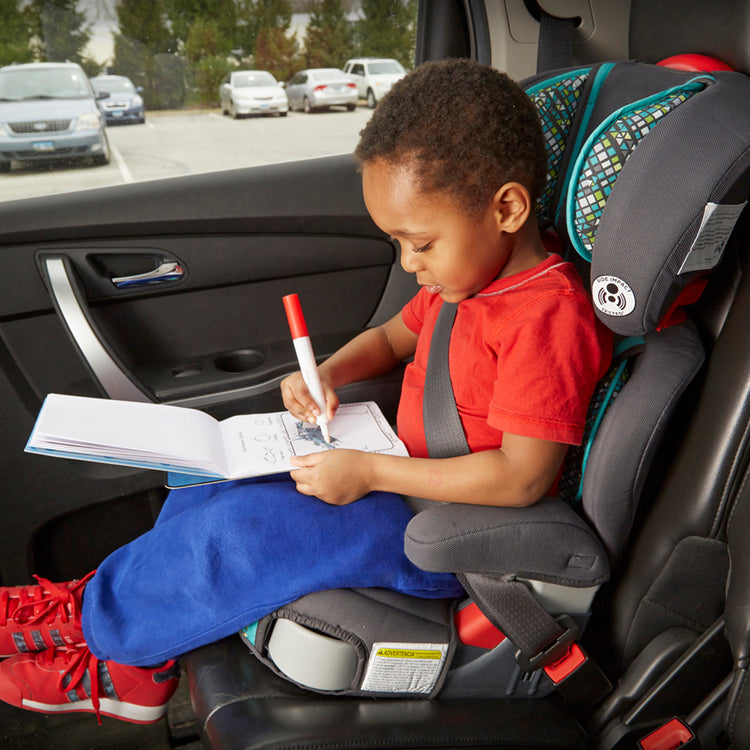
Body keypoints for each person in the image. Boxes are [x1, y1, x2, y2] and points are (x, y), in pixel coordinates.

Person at [0, 59, 612, 724]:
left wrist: (371, 471)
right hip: (397, 479)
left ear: (509, 208)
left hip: (455, 533)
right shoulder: (462, 281)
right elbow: (392, 339)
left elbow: (521, 478)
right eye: (397, 244)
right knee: (206, 482)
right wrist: (330, 372)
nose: (410, 265)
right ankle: (124, 640)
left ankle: (100, 634)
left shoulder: (547, 318)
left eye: (421, 243)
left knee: (240, 533)